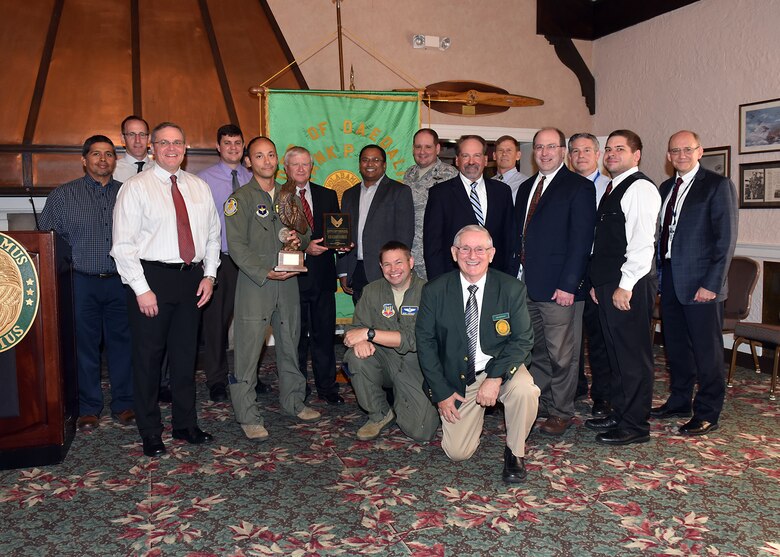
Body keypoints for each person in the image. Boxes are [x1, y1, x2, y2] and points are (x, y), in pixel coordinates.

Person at [112, 122, 220, 457]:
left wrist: (210, 276)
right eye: (164, 143)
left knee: (186, 358)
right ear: (152, 148)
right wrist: (141, 289)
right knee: (148, 360)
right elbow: (123, 245)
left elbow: (212, 236)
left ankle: (185, 425)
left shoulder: (199, 187)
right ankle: (150, 431)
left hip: (192, 280)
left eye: (177, 142)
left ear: (185, 148)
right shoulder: (135, 187)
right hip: (151, 280)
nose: (171, 148)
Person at [416, 225, 539, 483]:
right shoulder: (434, 291)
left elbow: (523, 339)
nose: (472, 255)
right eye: (465, 249)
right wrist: (441, 393)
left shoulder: (511, 288)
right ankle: (474, 419)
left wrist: (495, 378)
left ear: (491, 254)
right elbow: (425, 344)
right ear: (454, 253)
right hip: (458, 376)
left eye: (480, 249)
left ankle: (515, 451)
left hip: (499, 368)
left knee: (525, 390)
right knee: (457, 453)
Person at [224, 136, 320, 441]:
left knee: (290, 343)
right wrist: (264, 271)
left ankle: (294, 402)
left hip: (288, 281)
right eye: (259, 156)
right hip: (257, 283)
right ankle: (247, 414)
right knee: (248, 351)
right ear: (248, 162)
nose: (266, 161)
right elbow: (236, 246)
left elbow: (306, 235)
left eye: (271, 155)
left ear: (277, 160)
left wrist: (297, 240)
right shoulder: (240, 199)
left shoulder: (289, 196)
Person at [39, 135, 134, 431]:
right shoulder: (63, 196)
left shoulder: (128, 193)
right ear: (84, 160)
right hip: (81, 283)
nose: (103, 159)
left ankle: (125, 403)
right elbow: (46, 238)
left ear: (115, 160)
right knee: (84, 347)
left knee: (124, 345)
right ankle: (89, 407)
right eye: (96, 154)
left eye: (108, 154)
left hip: (122, 281)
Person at [651, 130, 738, 435]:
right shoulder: (665, 187)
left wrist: (712, 284)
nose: (681, 155)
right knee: (675, 346)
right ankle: (679, 401)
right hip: (670, 279)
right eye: (675, 151)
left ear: (700, 152)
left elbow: (725, 241)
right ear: (668, 156)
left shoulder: (717, 185)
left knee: (706, 351)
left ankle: (708, 412)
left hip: (702, 283)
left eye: (687, 149)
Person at [510, 128, 596, 436]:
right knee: (538, 351)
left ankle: (562, 411)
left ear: (562, 151)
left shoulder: (579, 187)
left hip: (560, 288)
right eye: (539, 147)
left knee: (563, 355)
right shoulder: (526, 187)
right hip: (528, 286)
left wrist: (569, 285)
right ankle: (544, 403)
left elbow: (581, 241)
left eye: (551, 147)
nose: (544, 153)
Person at [585, 129, 661, 445]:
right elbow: (607, 241)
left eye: (620, 148)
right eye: (609, 149)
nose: (612, 154)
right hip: (609, 285)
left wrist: (624, 285)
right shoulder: (614, 187)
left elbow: (642, 243)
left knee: (632, 357)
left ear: (636, 155)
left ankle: (635, 426)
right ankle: (619, 412)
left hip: (629, 286)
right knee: (615, 354)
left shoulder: (640, 188)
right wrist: (599, 283)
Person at [343, 241, 439, 442]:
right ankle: (379, 414)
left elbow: (415, 339)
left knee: (421, 431)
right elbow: (354, 329)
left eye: (398, 262)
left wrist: (369, 334)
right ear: (381, 267)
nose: (393, 269)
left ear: (411, 262)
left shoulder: (429, 292)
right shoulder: (371, 291)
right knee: (356, 357)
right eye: (387, 264)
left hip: (417, 366)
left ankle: (405, 403)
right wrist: (359, 341)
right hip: (383, 360)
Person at [197, 124, 252, 403]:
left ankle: (247, 376)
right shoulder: (202, 180)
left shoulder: (253, 178)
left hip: (250, 261)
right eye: (227, 143)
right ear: (218, 147)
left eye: (237, 143)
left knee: (250, 321)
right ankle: (216, 379)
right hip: (220, 260)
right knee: (216, 324)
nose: (233, 147)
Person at [285, 146, 344, 406]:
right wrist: (304, 246)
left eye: (305, 164)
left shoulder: (327, 195)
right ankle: (298, 387)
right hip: (291, 279)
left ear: (311, 167)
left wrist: (342, 244)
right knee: (296, 339)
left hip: (322, 278)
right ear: (286, 169)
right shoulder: (278, 196)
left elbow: (335, 231)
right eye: (295, 164)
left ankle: (327, 387)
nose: (301, 169)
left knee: (324, 337)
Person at [423, 135, 513, 280]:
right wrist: (439, 284)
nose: (471, 161)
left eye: (477, 155)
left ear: (485, 160)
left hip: (495, 278)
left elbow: (509, 239)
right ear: (457, 160)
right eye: (465, 156)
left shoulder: (502, 192)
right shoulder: (440, 194)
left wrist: (508, 279)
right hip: (454, 279)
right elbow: (432, 245)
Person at [568, 132, 613, 418]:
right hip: (570, 269)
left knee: (599, 338)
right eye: (575, 151)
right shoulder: (564, 186)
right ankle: (574, 387)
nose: (580, 155)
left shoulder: (611, 187)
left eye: (586, 150)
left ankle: (602, 396)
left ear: (597, 155)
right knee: (569, 335)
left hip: (599, 269)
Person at [337, 144, 414, 303]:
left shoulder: (400, 191)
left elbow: (405, 235)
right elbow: (343, 235)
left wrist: (397, 268)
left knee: (387, 317)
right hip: (356, 270)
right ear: (360, 164)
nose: (370, 164)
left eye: (375, 160)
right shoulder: (349, 194)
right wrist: (343, 271)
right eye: (365, 160)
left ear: (384, 165)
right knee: (362, 316)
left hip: (386, 271)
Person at [402, 128, 458, 279]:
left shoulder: (450, 175)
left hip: (436, 254)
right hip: (410, 255)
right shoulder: (409, 174)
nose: (422, 151)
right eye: (418, 147)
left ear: (437, 148)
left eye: (428, 147)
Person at [114, 115, 155, 183]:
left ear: (149, 138)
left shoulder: (160, 169)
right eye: (131, 134)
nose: (137, 140)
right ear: (123, 138)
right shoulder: (112, 171)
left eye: (142, 134)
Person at [492, 135, 529, 203]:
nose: (504, 154)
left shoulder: (526, 184)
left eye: (509, 150)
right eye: (500, 150)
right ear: (494, 156)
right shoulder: (487, 184)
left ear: (518, 155)